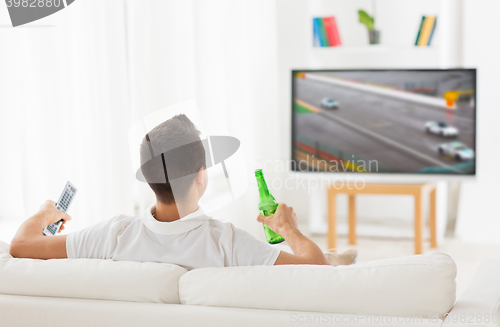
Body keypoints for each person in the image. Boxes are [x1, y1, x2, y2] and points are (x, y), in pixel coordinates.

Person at [9, 115, 356, 269]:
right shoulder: (228, 243)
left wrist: (45, 213)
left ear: (147, 178)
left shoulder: (111, 235)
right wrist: (288, 229)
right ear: (201, 176)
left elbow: (21, 246)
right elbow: (315, 268)